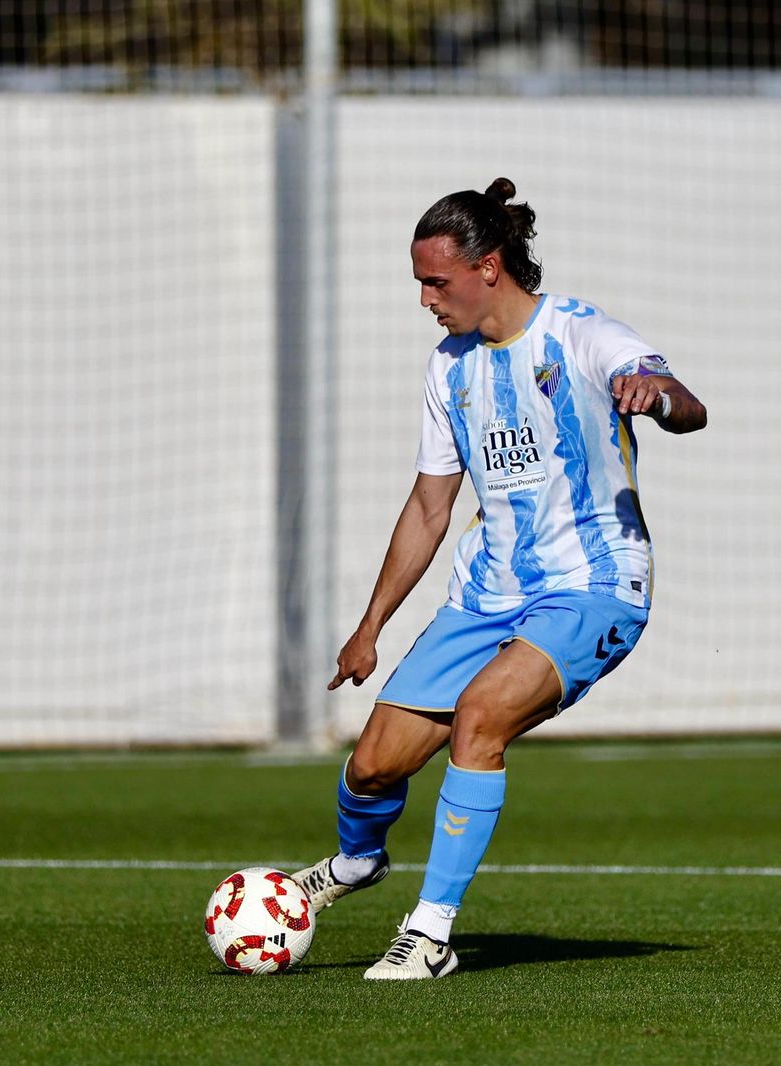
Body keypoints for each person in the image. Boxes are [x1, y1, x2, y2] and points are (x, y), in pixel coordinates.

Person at [292, 177, 707, 980]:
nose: (425, 299)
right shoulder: (449, 369)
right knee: (373, 764)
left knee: (481, 718)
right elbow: (427, 506)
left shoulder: (581, 334)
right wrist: (371, 626)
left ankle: (431, 934)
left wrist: (659, 398)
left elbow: (688, 403)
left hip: (593, 585)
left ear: (488, 268)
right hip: (485, 597)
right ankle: (353, 865)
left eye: (435, 281)